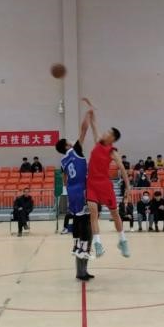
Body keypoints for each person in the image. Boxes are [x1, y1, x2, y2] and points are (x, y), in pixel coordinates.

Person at [56, 103, 94, 280]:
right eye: (69, 141)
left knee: (78, 219)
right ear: (66, 145)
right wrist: (88, 115)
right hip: (81, 189)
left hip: (71, 191)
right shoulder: (74, 150)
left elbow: (64, 179)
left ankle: (77, 245)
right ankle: (83, 250)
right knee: (86, 222)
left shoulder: (63, 161)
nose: (72, 141)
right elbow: (84, 130)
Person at [85, 110, 131, 258]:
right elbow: (94, 126)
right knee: (93, 212)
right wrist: (91, 114)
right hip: (91, 183)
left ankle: (122, 241)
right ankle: (98, 244)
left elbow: (122, 168)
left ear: (112, 138)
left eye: (108, 132)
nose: (105, 133)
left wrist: (128, 186)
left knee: (115, 214)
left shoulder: (112, 151)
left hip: (104, 185)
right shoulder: (98, 142)